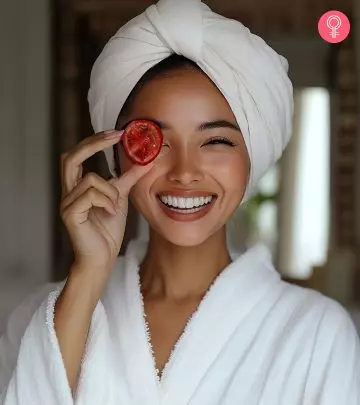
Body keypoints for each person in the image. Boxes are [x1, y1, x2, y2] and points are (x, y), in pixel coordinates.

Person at [1, 0, 359, 404]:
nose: (185, 171)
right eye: (155, 141)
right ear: (116, 155)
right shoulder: (42, 317)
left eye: (216, 141)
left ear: (252, 157)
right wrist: (88, 275)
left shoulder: (316, 334)